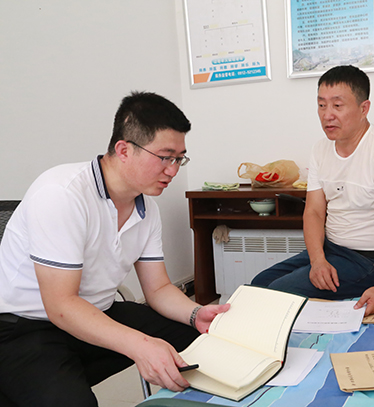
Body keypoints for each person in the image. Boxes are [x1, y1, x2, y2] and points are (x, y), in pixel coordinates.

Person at [0, 91, 229, 407]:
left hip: (98, 311)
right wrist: (140, 345)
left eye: (179, 158)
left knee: (198, 342)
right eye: (165, 157)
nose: (173, 170)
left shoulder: (146, 208)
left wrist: (195, 314)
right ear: (124, 150)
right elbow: (61, 304)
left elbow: (158, 288)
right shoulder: (61, 194)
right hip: (25, 327)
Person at [251, 65, 374, 316]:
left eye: (337, 105)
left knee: (278, 294)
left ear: (364, 108)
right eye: (321, 105)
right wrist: (318, 260)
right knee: (259, 285)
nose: (327, 115)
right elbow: (314, 212)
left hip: (369, 261)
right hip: (330, 250)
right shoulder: (320, 149)